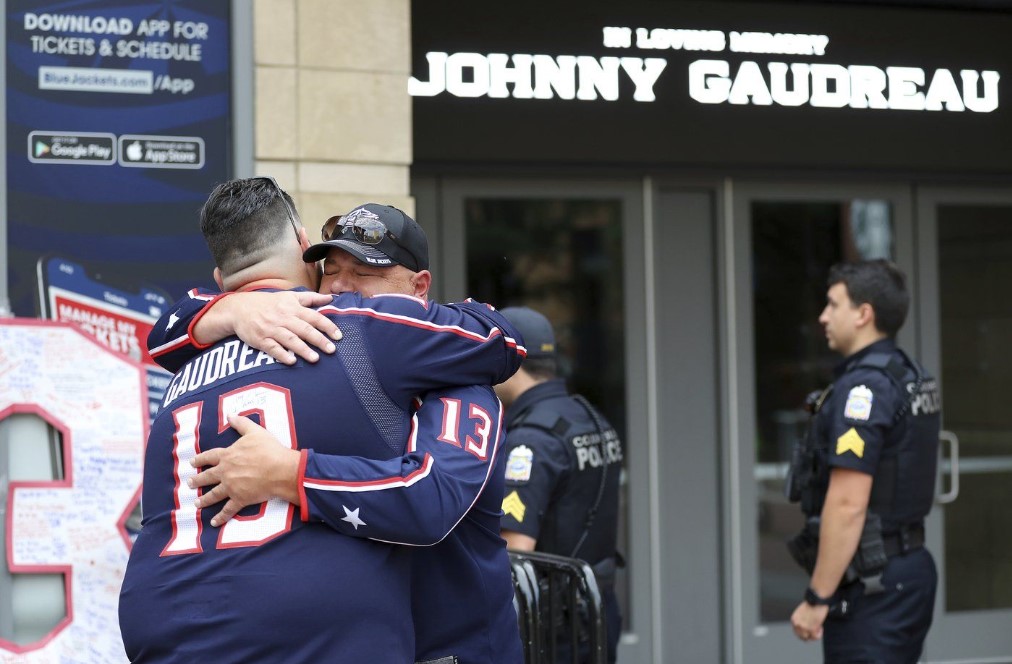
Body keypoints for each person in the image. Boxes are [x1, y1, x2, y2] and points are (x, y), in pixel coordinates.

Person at [120, 179, 524, 662]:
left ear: (418, 288)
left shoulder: (447, 373)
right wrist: (233, 307)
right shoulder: (306, 332)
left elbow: (431, 497)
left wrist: (290, 473)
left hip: (453, 645)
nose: (340, 287)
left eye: (366, 271)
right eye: (330, 270)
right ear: (306, 253)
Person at [786, 259, 941, 663]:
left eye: (833, 305)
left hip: (875, 583)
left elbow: (848, 503)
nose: (823, 316)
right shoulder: (909, 373)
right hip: (907, 569)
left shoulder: (865, 388)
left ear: (863, 314)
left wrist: (817, 596)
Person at [495, 306, 624, 664]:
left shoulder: (531, 441)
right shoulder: (589, 418)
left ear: (509, 361)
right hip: (597, 613)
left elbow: (514, 554)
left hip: (554, 631)